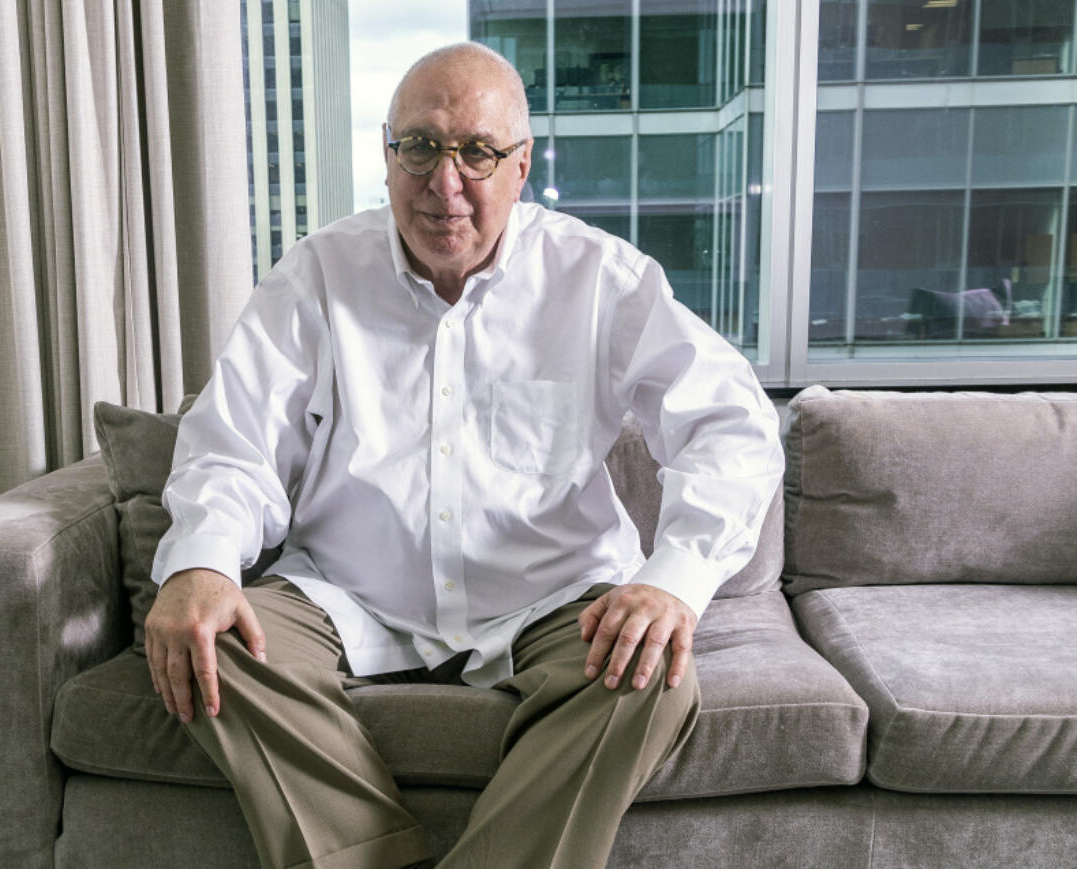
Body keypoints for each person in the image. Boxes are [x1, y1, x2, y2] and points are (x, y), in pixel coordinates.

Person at [145, 42, 783, 869]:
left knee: (651, 674)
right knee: (211, 639)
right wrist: (201, 561)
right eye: (420, 147)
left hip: (552, 596)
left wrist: (674, 580)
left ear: (520, 166)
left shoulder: (599, 276)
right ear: (386, 157)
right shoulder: (317, 275)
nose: (445, 182)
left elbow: (732, 422)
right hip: (351, 593)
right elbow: (234, 441)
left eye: (476, 152)